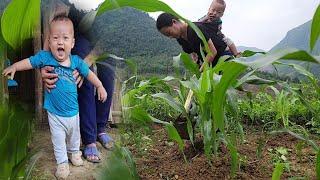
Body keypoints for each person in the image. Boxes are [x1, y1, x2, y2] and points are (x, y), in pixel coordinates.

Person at [2, 14, 107, 179]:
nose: (60, 42)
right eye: (55, 38)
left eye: (65, 38)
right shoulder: (45, 58)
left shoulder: (77, 61)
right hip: (55, 114)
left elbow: (89, 75)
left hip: (73, 113)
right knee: (58, 141)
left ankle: (74, 153)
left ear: (72, 43)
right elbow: (30, 61)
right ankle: (62, 163)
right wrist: (15, 66)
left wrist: (100, 86)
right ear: (49, 42)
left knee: (74, 137)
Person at [41, 5, 115, 163]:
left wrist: (87, 62)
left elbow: (111, 37)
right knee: (82, 79)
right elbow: (54, 27)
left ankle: (100, 128)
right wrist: (45, 64)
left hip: (106, 37)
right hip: (80, 34)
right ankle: (89, 139)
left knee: (108, 76)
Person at [156, 12, 227, 67]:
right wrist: (195, 58)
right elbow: (192, 50)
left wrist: (201, 71)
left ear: (174, 22)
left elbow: (212, 52)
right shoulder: (180, 38)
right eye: (168, 36)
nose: (170, 37)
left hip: (224, 58)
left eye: (169, 33)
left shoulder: (195, 29)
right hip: (212, 64)